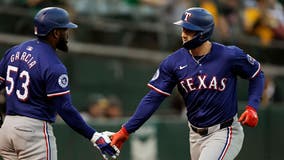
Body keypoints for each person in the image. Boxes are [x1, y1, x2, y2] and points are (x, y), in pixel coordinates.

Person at [110, 7, 265, 160]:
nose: (184, 34)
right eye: (184, 29)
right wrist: (125, 131)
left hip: (225, 131)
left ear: (203, 33)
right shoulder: (173, 62)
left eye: (190, 30)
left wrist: (252, 106)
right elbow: (153, 98)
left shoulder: (229, 55)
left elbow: (257, 74)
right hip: (195, 135)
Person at [0, 7, 119, 160]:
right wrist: (95, 136)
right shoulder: (53, 65)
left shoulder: (14, 51)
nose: (67, 34)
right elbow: (64, 108)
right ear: (55, 33)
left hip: (7, 129)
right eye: (65, 30)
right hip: (33, 132)